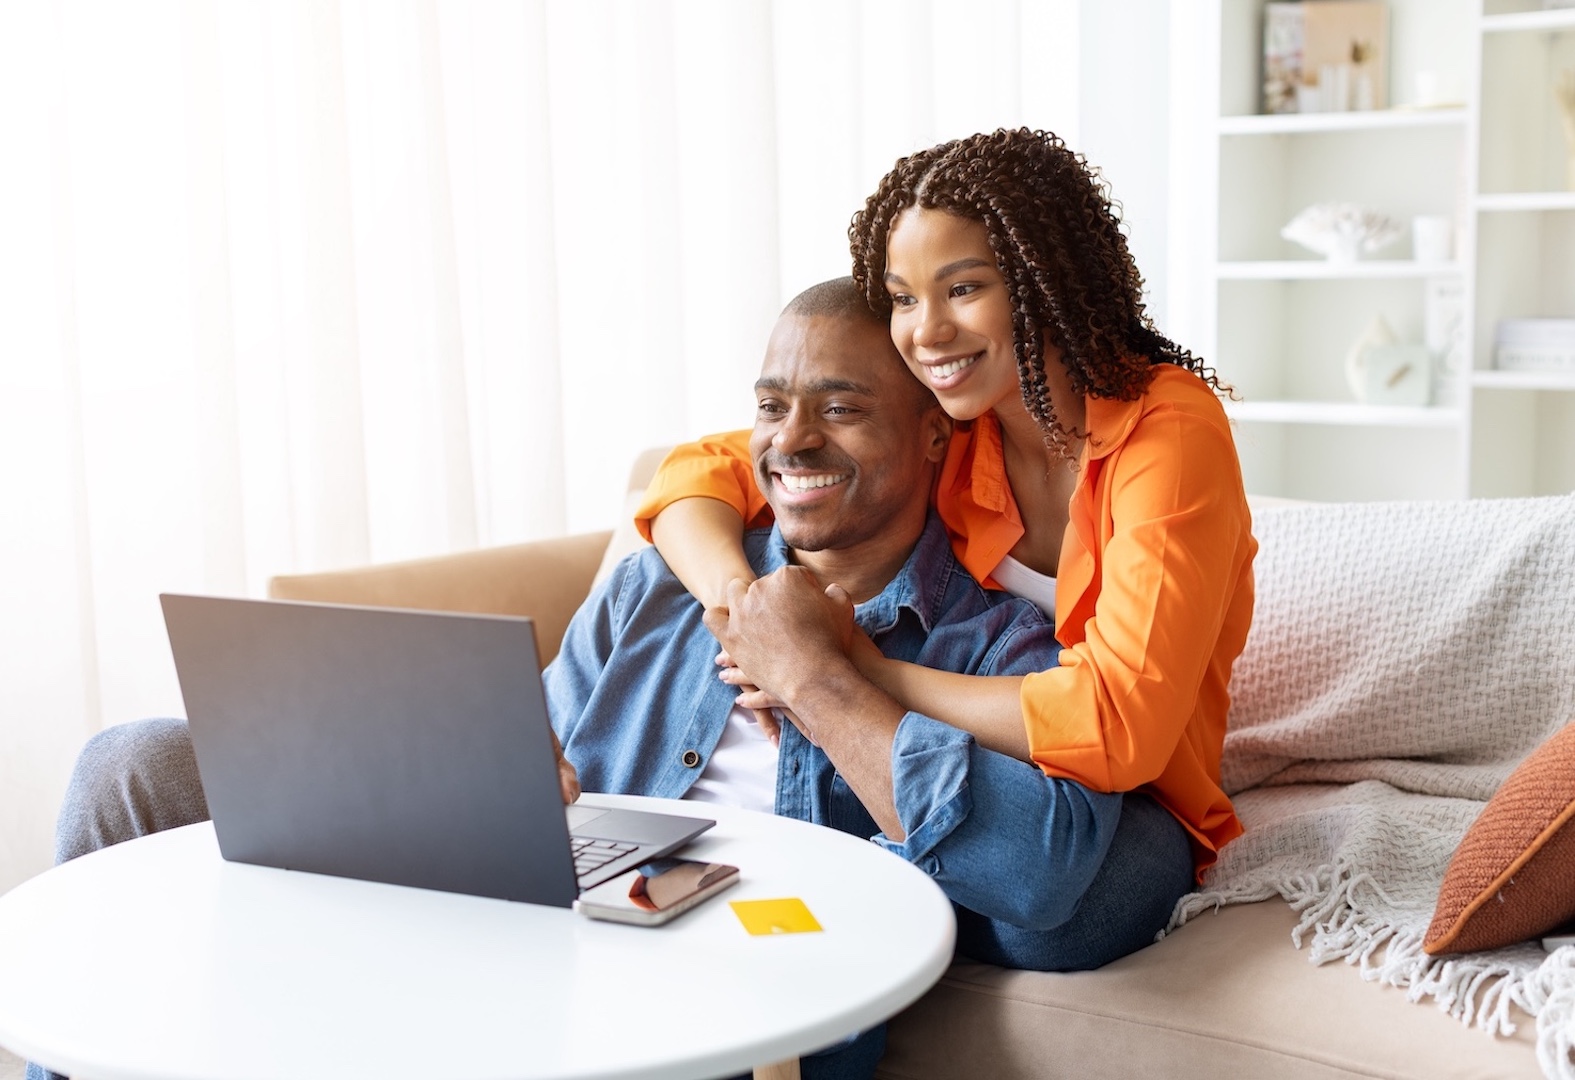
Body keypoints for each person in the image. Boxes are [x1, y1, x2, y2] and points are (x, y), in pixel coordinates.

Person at [32, 278, 1195, 1080]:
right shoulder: (664, 584)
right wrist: (492, 768)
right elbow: (545, 749)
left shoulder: (990, 645)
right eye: (772, 408)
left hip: (710, 992)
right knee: (128, 768)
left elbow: (1051, 877)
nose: (793, 441)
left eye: (843, 407)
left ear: (938, 436)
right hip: (535, 919)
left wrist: (826, 684)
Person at [635, 128, 1258, 888]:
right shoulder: (958, 427)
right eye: (903, 299)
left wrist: (842, 668)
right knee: (947, 864)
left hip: (1133, 801)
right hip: (985, 770)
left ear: (1044, 282)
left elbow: (1118, 727)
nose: (925, 333)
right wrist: (749, 615)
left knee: (1046, 908)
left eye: (963, 289)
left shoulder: (1166, 430)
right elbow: (699, 473)